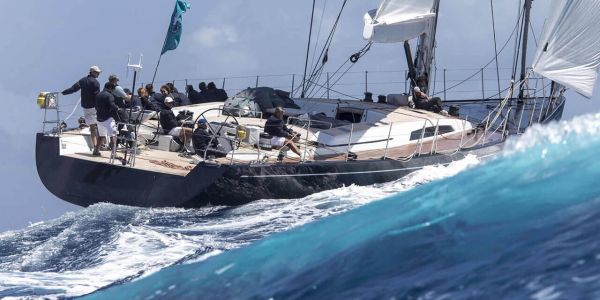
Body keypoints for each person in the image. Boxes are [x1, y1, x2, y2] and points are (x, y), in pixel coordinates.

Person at [62, 65, 102, 156]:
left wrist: (63, 93)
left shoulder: (82, 80)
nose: (98, 74)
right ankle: (99, 146)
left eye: (99, 72)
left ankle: (96, 146)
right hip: (94, 107)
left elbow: (73, 89)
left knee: (92, 127)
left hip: (86, 107)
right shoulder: (96, 83)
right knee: (99, 125)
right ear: (92, 72)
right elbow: (97, 96)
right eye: (97, 72)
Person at [95, 82, 121, 153]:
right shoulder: (110, 95)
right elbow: (112, 105)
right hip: (108, 118)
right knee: (113, 136)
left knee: (101, 135)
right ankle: (114, 153)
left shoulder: (98, 94)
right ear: (110, 88)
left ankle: (96, 150)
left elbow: (96, 106)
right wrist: (117, 108)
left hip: (99, 118)